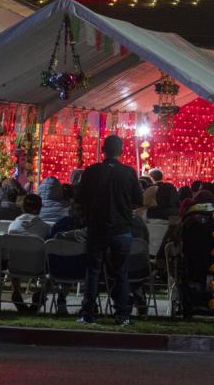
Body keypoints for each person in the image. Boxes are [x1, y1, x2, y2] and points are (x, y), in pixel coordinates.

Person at [76, 135, 143, 326]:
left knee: (94, 271)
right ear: (121, 151)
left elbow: (79, 198)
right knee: (121, 272)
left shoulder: (91, 171)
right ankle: (122, 314)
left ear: (103, 150)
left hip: (97, 227)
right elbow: (138, 199)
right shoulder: (129, 173)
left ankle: (88, 313)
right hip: (121, 229)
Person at [7, 193, 48, 310]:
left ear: (23, 207)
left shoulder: (12, 226)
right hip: (38, 269)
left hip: (14, 268)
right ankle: (42, 294)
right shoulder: (44, 228)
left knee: (16, 256)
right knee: (53, 265)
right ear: (40, 208)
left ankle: (16, 291)